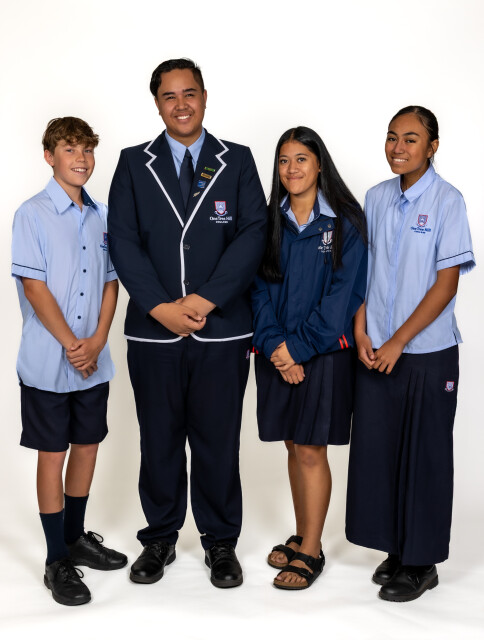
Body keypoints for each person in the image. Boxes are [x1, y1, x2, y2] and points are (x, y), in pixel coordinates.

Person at [108, 58, 266, 589]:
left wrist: (204, 298)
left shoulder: (236, 160)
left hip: (222, 329)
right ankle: (160, 537)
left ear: (204, 96)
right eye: (169, 96)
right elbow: (123, 241)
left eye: (189, 93)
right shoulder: (133, 163)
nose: (181, 104)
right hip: (153, 332)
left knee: (218, 439)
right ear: (157, 104)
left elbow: (252, 234)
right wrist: (160, 307)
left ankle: (220, 542)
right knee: (159, 438)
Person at [346, 106, 475, 602]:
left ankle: (422, 563)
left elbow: (446, 285)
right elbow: (362, 270)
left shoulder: (447, 201)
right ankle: (397, 548)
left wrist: (399, 340)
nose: (398, 147)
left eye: (411, 139)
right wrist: (361, 330)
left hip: (425, 352)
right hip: (375, 350)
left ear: (432, 146)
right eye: (392, 137)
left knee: (425, 455)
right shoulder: (376, 197)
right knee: (380, 451)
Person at [11, 117, 127, 607]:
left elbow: (111, 281)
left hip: (93, 361)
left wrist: (96, 341)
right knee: (53, 454)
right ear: (49, 156)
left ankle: (76, 537)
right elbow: (34, 287)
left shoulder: (103, 216)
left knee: (87, 446)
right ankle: (56, 558)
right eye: (69, 149)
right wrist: (71, 344)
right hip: (48, 361)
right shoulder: (31, 214)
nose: (80, 159)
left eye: (87, 150)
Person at [251, 126, 367, 590]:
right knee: (291, 444)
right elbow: (256, 288)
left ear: (320, 164)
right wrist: (275, 346)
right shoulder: (267, 221)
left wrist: (295, 350)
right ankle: (303, 533)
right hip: (275, 351)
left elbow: (343, 298)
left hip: (321, 354)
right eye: (283, 160)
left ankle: (312, 550)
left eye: (301, 159)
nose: (291, 168)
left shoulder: (345, 222)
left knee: (311, 449)